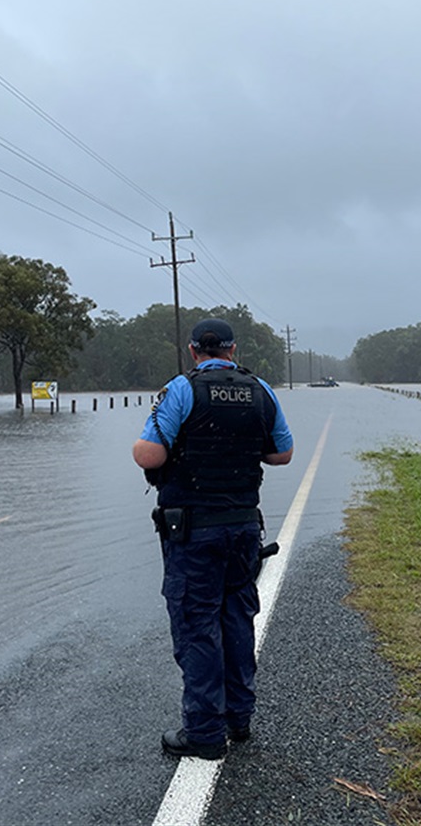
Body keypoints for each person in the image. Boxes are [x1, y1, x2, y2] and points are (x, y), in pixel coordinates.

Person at [133, 317, 294, 760]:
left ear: (193, 351)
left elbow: (150, 454)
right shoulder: (260, 390)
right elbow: (282, 453)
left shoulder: (182, 390)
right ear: (233, 349)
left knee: (197, 625)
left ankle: (204, 734)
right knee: (237, 618)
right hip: (244, 527)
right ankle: (238, 720)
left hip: (194, 532)